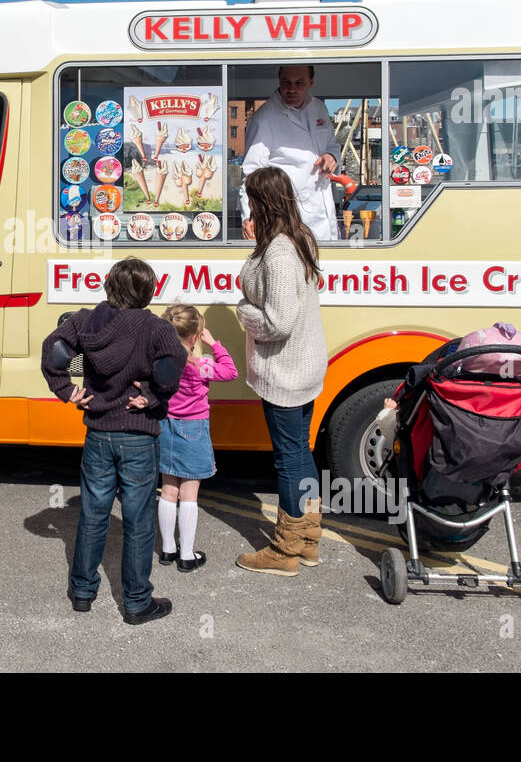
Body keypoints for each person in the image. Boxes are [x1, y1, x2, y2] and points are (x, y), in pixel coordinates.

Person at [41, 257, 187, 625]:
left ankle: (82, 591)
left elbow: (54, 349)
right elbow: (173, 368)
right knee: (139, 520)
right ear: (149, 290)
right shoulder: (157, 329)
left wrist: (66, 389)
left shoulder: (87, 320)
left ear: (109, 285)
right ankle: (137, 602)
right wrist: (153, 395)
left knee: (93, 512)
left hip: (99, 433)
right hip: (138, 434)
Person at [234, 166, 328, 576]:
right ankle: (307, 539)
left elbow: (278, 321)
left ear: (262, 201)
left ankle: (284, 551)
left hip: (285, 373)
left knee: (289, 459)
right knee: (301, 452)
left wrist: (243, 312)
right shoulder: (299, 238)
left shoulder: (278, 251)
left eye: (250, 198)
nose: (247, 205)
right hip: (305, 365)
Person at [157, 304, 237, 573]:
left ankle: (168, 549)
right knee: (189, 494)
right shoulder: (200, 366)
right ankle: (187, 555)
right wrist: (215, 344)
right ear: (194, 337)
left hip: (166, 427)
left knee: (169, 490)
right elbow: (230, 371)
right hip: (194, 429)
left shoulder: (163, 363)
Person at [240, 64, 343, 240]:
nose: (291, 89)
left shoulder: (319, 108)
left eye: (299, 83)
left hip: (324, 212)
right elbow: (252, 175)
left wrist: (332, 156)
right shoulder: (264, 118)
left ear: (311, 82)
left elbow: (332, 145)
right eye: (286, 82)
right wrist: (250, 217)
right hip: (289, 218)